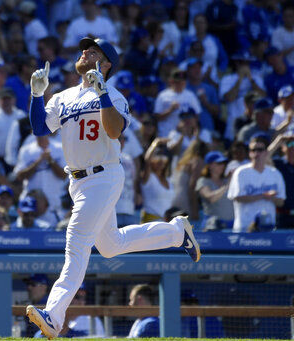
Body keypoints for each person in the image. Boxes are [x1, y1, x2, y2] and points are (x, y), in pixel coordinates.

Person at [25, 37, 201, 339]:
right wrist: (36, 95)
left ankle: (53, 316)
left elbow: (113, 130)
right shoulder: (64, 96)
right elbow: (41, 128)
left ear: (105, 64)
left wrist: (102, 91)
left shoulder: (115, 95)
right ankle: (176, 232)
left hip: (103, 176)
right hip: (77, 182)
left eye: (93, 51)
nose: (84, 53)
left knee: (76, 243)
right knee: (110, 246)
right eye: (84, 49)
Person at [228, 134, 286, 232]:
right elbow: (237, 197)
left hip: (268, 227)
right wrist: (263, 195)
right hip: (244, 228)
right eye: (253, 150)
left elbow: (281, 202)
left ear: (266, 152)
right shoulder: (241, 172)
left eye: (259, 150)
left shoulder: (275, 173)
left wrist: (271, 197)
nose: (256, 153)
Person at [14, 135, 66, 214]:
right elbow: (20, 176)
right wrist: (38, 162)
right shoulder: (26, 150)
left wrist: (51, 160)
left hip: (54, 204)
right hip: (30, 206)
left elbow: (64, 175)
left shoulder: (59, 148)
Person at [196, 151, 234, 231]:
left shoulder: (226, 180)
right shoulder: (203, 181)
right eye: (219, 163)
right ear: (209, 165)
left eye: (223, 163)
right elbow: (211, 198)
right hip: (212, 227)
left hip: (230, 226)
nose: (222, 166)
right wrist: (227, 186)